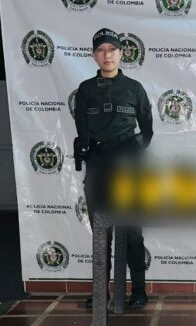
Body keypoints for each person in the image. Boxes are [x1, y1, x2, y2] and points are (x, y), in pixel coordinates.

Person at [73, 28, 153, 309]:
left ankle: (139, 290)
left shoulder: (134, 89)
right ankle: (101, 292)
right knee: (101, 233)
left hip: (128, 169)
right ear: (94, 55)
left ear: (121, 53)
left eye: (112, 49)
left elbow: (147, 131)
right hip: (99, 169)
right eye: (101, 50)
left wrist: (131, 150)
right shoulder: (85, 90)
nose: (107, 55)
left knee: (132, 232)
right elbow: (82, 131)